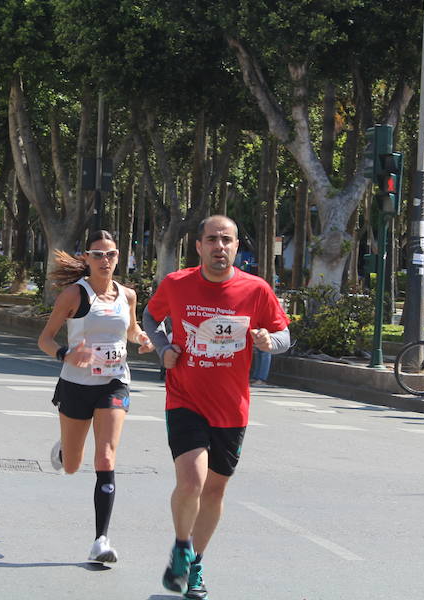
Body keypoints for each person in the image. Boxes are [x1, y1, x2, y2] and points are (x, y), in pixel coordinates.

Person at [142, 215, 290, 598]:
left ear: (237, 247)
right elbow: (150, 316)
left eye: (226, 240)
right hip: (185, 398)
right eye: (211, 240)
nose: (219, 247)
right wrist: (164, 349)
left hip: (231, 407)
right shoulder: (177, 284)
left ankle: (195, 562)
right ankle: (180, 546)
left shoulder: (256, 290)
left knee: (214, 492)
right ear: (199, 246)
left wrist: (268, 342)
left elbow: (284, 333)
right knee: (191, 481)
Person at [37, 230, 154, 563]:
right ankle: (64, 447)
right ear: (86, 258)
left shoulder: (127, 295)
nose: (106, 261)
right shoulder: (74, 295)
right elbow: (44, 339)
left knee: (105, 457)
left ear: (119, 257)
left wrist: (142, 338)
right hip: (75, 384)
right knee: (72, 465)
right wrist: (64, 354)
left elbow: (130, 330)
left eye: (112, 255)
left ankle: (100, 540)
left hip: (114, 382)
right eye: (99, 255)